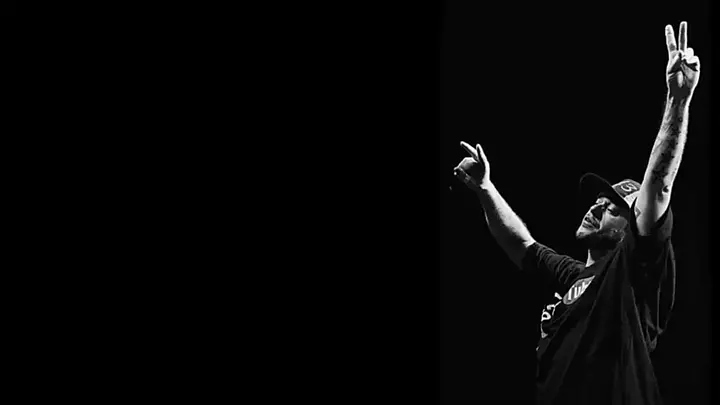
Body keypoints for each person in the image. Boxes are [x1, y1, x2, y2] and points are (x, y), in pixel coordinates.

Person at [452, 22, 700, 405]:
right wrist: (486, 189)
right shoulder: (572, 275)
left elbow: (659, 185)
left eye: (613, 208)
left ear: (631, 230)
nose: (597, 206)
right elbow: (521, 243)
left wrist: (677, 101)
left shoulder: (631, 273)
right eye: (599, 200)